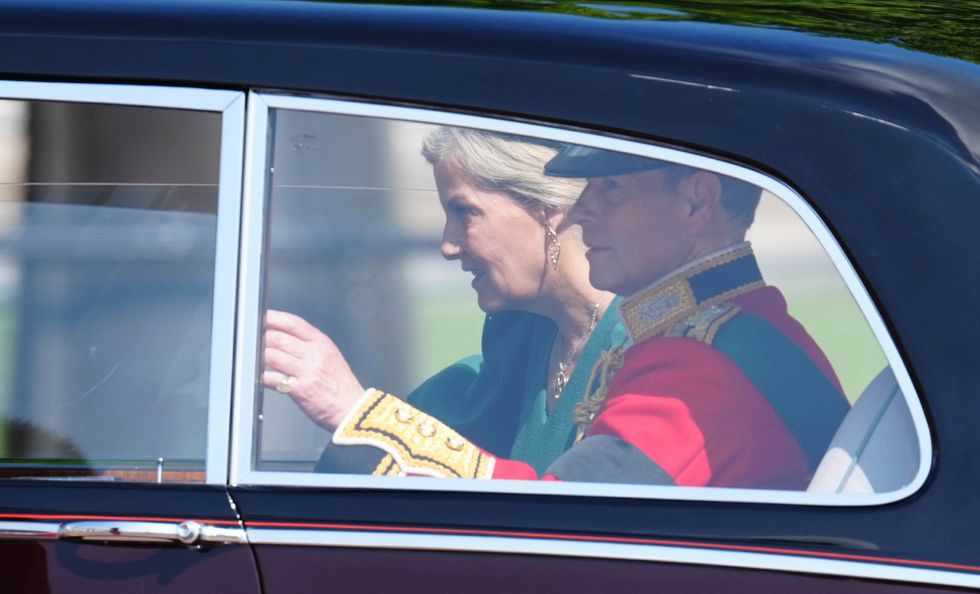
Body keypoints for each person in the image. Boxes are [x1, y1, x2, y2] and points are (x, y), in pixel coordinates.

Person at [262, 127, 619, 478]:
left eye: (465, 213)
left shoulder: (643, 341)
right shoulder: (516, 346)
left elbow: (565, 518)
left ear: (546, 205)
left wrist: (360, 413)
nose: (448, 246)